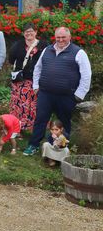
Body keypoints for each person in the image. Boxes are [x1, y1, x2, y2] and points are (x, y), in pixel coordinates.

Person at [24, 27, 91, 156]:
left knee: (64, 122)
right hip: (45, 94)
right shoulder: (47, 50)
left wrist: (79, 95)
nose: (60, 40)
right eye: (58, 37)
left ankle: (60, 149)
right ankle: (33, 145)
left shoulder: (78, 52)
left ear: (69, 37)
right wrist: (36, 86)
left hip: (66, 96)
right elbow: (38, 68)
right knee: (40, 120)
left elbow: (86, 75)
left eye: (63, 37)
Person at [8, 24, 47, 131]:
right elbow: (11, 59)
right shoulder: (18, 45)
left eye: (31, 31)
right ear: (23, 33)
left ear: (36, 32)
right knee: (18, 105)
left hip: (36, 81)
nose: (29, 33)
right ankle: (16, 128)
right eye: (26, 31)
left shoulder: (43, 45)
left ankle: (31, 128)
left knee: (33, 105)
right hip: (20, 80)